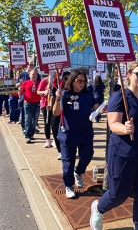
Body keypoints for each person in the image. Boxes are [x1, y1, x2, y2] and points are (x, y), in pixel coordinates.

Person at [90, 61, 138, 230]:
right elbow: (113, 124)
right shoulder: (120, 96)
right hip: (124, 153)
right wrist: (125, 128)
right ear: (128, 75)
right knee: (119, 194)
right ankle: (99, 208)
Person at [53, 69, 100, 199]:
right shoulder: (64, 94)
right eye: (79, 81)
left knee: (87, 155)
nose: (82, 84)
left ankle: (78, 172)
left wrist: (102, 108)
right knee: (68, 162)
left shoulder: (88, 93)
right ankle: (69, 185)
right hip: (68, 134)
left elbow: (96, 106)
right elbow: (55, 112)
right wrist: (58, 98)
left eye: (84, 81)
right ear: (72, 81)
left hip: (85, 133)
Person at [50, 71, 70, 160]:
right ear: (62, 79)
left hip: (67, 114)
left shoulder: (73, 89)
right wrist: (50, 104)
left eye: (69, 79)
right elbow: (52, 97)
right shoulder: (57, 87)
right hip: (57, 111)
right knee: (55, 129)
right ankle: (60, 151)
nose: (67, 80)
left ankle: (67, 150)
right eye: (65, 78)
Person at [19, 69, 41, 144]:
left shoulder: (39, 83)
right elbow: (20, 93)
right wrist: (19, 90)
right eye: (32, 74)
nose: (34, 75)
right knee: (28, 119)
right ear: (29, 75)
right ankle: (27, 136)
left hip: (37, 104)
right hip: (27, 104)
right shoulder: (25, 83)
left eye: (35, 74)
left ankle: (31, 134)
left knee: (35, 120)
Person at [37, 73, 55, 148]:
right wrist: (45, 92)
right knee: (47, 122)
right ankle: (48, 139)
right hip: (45, 104)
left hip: (55, 104)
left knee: (54, 123)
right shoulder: (44, 81)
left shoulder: (57, 81)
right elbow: (38, 92)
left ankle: (55, 140)